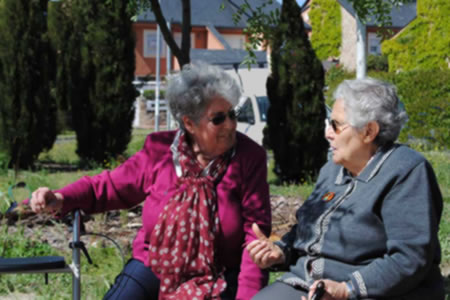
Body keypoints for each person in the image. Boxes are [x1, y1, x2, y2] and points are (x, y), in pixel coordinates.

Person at [29, 62, 272, 300]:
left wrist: (248, 297)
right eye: (218, 119)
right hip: (154, 265)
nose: (230, 124)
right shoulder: (159, 150)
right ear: (189, 123)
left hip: (217, 273)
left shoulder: (249, 158)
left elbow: (256, 239)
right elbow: (107, 187)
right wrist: (61, 198)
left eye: (232, 114)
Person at [247, 77, 445, 300]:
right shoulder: (332, 171)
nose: (327, 133)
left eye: (336, 126)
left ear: (369, 131)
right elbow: (308, 230)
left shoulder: (405, 171)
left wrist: (347, 289)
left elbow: (409, 257)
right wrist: (281, 251)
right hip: (310, 285)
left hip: (375, 293)